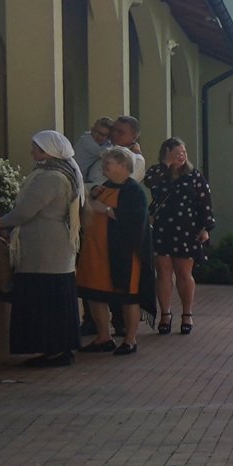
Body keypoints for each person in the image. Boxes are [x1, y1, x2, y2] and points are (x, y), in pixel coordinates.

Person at [0, 130, 84, 367]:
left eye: (35, 147)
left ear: (46, 151)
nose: (32, 151)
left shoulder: (50, 177)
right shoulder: (63, 173)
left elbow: (26, 210)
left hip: (45, 247)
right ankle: (56, 348)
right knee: (53, 298)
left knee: (44, 299)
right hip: (51, 245)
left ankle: (54, 350)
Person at [75, 146, 157, 356]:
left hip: (123, 254)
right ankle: (104, 336)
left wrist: (109, 211)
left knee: (129, 297)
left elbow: (136, 221)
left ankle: (130, 340)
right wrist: (92, 197)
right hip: (97, 252)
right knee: (95, 294)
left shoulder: (134, 191)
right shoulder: (105, 187)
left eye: (108, 164)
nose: (103, 168)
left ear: (123, 165)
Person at [148, 138, 214, 336]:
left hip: (187, 229)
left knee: (184, 273)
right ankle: (165, 315)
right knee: (163, 272)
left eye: (183, 152)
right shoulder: (159, 173)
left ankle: (187, 314)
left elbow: (205, 202)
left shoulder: (194, 177)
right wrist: (165, 165)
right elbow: (149, 182)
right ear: (166, 153)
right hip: (163, 228)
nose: (181, 156)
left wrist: (205, 227)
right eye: (177, 153)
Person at [108, 115, 147, 182]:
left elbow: (122, 183)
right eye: (113, 130)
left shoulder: (137, 160)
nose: (114, 134)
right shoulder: (103, 147)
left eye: (120, 132)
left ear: (134, 136)